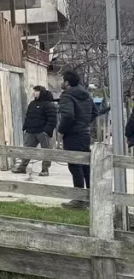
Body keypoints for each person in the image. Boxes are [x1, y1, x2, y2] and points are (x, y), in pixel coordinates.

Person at [57, 71, 97, 209]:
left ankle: (79, 200)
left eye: (62, 80)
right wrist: (84, 123)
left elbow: (67, 116)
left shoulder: (66, 95)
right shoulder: (86, 95)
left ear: (66, 82)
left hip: (73, 135)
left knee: (75, 166)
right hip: (85, 134)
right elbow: (95, 112)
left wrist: (61, 130)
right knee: (86, 166)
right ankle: (91, 197)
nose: (61, 82)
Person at [12, 86, 58, 177]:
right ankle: (22, 167)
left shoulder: (49, 105)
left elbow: (52, 120)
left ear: (42, 92)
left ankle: (45, 169)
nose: (34, 92)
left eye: (37, 91)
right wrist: (25, 128)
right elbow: (28, 116)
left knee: (46, 151)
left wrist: (46, 131)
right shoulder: (32, 104)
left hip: (42, 132)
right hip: (30, 131)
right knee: (27, 150)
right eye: (34, 91)